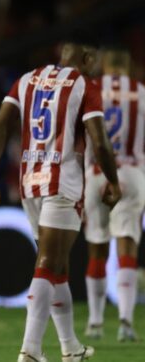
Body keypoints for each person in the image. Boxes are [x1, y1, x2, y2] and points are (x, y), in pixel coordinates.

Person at [0, 39, 122, 362]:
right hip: (63, 181)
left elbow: (0, 126)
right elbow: (99, 141)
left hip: (30, 183)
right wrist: (113, 180)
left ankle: (70, 348)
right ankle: (29, 350)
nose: (96, 66)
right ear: (86, 57)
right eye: (94, 60)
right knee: (47, 264)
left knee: (58, 267)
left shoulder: (26, 79)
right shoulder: (84, 84)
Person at [83, 48, 144, 342]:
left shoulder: (91, 89)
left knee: (97, 246)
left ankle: (95, 323)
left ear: (105, 66)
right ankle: (125, 322)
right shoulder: (141, 92)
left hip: (96, 173)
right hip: (132, 173)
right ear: (128, 68)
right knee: (127, 246)